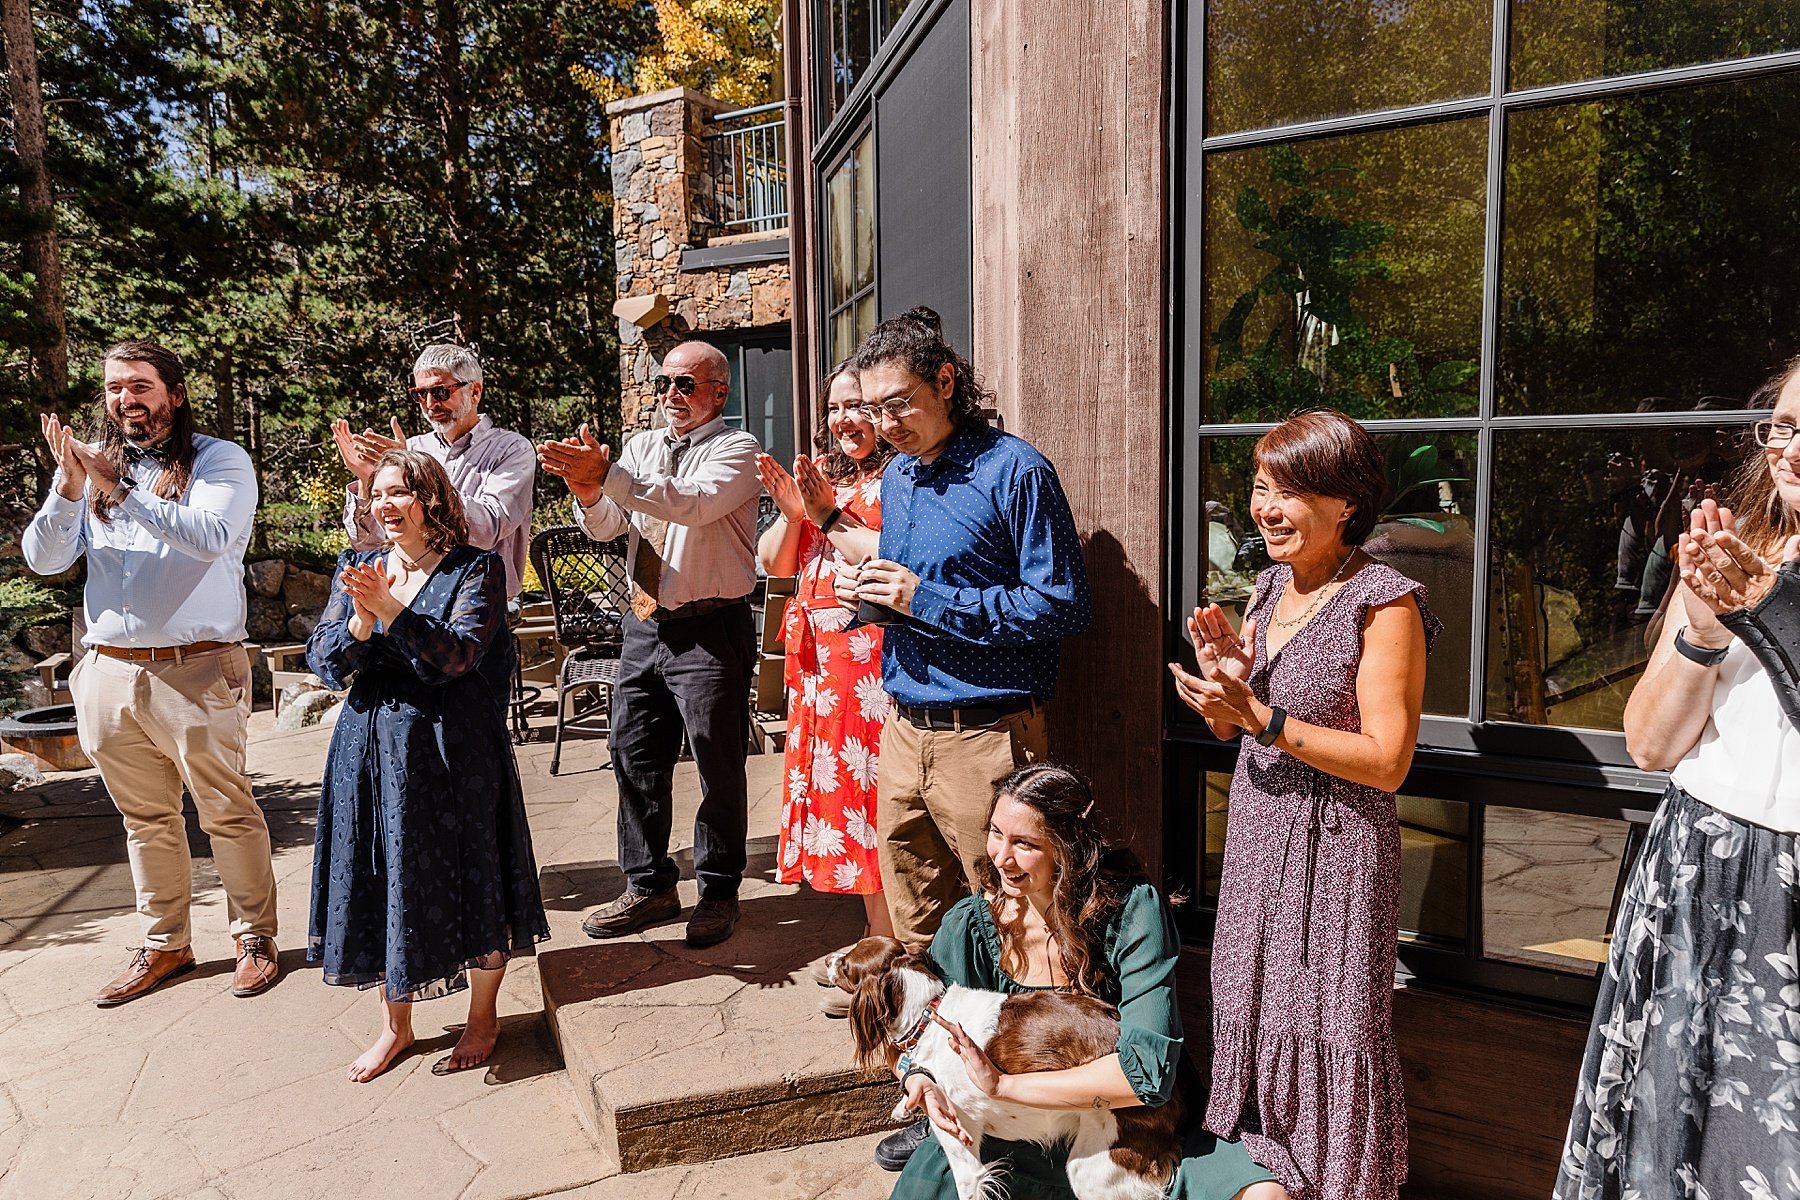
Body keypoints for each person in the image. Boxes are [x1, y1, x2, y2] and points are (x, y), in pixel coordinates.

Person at [830, 307, 1091, 1168]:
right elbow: (912, 590)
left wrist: (923, 600)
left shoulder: (1016, 471)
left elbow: (1061, 608)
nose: (886, 425)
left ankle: (1028, 1106)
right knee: (923, 926)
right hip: (904, 730)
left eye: (901, 402)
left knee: (1021, 921)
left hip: (989, 736)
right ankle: (939, 1092)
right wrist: (868, 599)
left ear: (948, 382)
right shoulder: (900, 478)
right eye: (873, 409)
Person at [1169, 409, 1438, 1200]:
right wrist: (1224, 689)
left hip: (1339, 848)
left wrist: (1262, 717)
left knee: (1330, 1021)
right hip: (1261, 833)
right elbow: (1236, 725)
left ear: (1346, 503)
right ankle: (1273, 1174)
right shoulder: (1267, 585)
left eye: (1290, 491)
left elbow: (1389, 763)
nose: (1267, 508)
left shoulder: (1383, 602)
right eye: (1260, 488)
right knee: (1256, 1000)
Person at [1554, 359, 1800, 1199]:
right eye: (1783, 428)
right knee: (1665, 1124)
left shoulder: (1763, 582)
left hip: (1787, 891)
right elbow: (1651, 746)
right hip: (1696, 863)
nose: (1790, 451)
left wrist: (1770, 615)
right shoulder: (1741, 554)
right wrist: (1700, 630)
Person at [891, 764, 1285, 1200]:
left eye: (1024, 844)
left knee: (1264, 1193)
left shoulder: (1132, 912)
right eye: (996, 833)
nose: (1002, 857)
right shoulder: (969, 927)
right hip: (1011, 1134)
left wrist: (1007, 1085)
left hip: (1130, 1128)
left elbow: (1147, 1075)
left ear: (1066, 848)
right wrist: (917, 1078)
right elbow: (909, 1035)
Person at [24, 339, 280, 1007]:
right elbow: (45, 560)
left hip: (197, 669)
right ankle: (166, 943)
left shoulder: (220, 461)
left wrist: (119, 487)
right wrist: (69, 487)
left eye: (139, 385)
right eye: (113, 387)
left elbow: (210, 536)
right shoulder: (92, 473)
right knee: (145, 819)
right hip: (109, 671)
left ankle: (254, 937)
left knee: (226, 811)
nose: (124, 398)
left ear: (175, 394)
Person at [306, 448, 550, 1082]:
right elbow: (324, 659)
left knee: (473, 873)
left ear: (432, 500)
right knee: (386, 878)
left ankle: (483, 1016)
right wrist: (360, 627)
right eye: (376, 494)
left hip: (454, 748)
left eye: (397, 493)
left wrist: (392, 615)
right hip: (372, 748)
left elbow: (461, 655)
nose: (383, 505)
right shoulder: (357, 566)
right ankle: (395, 1026)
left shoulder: (477, 568)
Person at [536, 339, 762, 948]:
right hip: (645, 622)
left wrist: (607, 476)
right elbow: (609, 525)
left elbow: (693, 506)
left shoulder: (737, 450)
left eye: (686, 384)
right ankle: (649, 885)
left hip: (711, 627)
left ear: (720, 392)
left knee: (717, 762)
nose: (671, 395)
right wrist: (589, 491)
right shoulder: (639, 447)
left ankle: (718, 892)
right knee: (632, 752)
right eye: (664, 383)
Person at [757, 364, 893, 1014]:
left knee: (871, 798)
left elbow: (893, 554)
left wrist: (822, 511)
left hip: (868, 665)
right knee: (846, 797)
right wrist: (792, 513)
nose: (846, 419)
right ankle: (875, 936)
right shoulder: (829, 477)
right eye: (837, 407)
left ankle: (886, 945)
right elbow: (775, 564)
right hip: (820, 665)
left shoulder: (902, 478)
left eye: (858, 406)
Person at [332, 343, 536, 601]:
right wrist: (365, 482)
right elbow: (369, 544)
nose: (430, 404)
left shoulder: (511, 448)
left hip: (481, 599)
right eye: (420, 394)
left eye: (440, 391)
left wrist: (418, 475)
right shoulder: (414, 448)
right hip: (409, 597)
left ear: (474, 392)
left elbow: (487, 529)